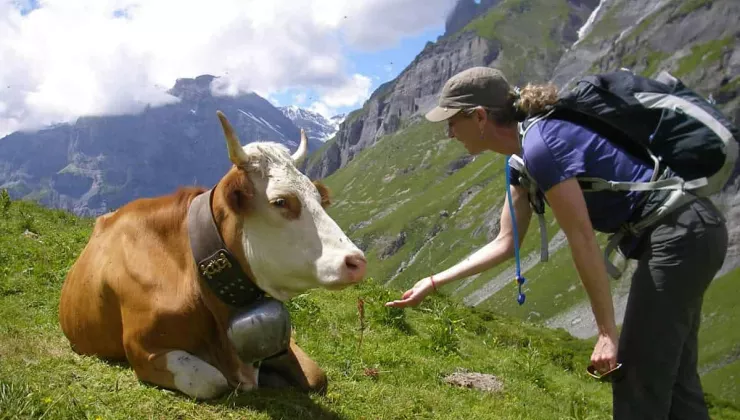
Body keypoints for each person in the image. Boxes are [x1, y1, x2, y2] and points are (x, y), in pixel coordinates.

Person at [384, 66, 729, 419]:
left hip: (682, 232)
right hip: (687, 231)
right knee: (674, 380)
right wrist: (433, 282)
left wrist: (607, 334)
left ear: (480, 117)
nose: (449, 132)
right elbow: (506, 243)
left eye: (452, 121)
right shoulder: (521, 160)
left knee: (638, 376)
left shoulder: (542, 145)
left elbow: (581, 239)